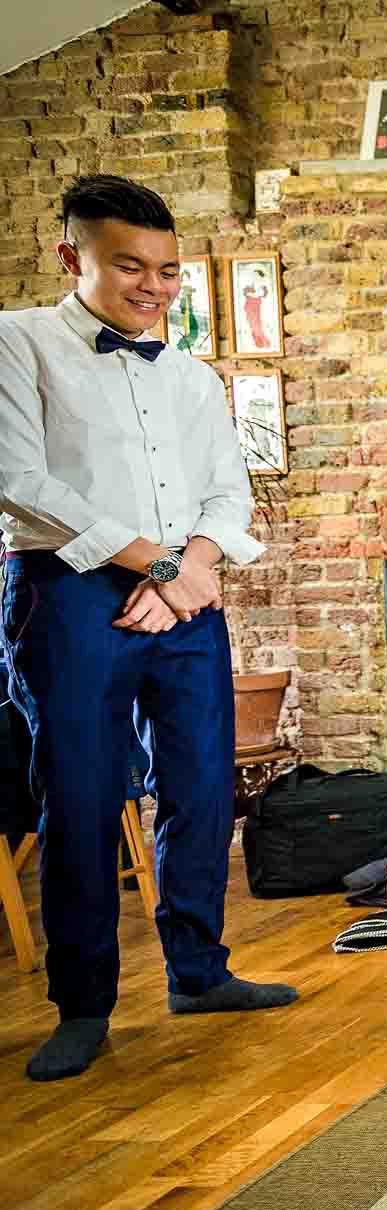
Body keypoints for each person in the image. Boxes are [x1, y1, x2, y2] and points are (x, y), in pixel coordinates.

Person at [0, 175, 298, 1083]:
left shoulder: (194, 377)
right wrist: (157, 566)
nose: (153, 286)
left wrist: (190, 570)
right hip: (70, 594)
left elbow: (228, 491)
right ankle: (83, 1006)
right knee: (83, 799)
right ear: (71, 258)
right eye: (130, 265)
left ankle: (200, 973)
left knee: (203, 788)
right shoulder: (17, 344)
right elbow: (21, 481)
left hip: (187, 595)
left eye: (166, 271)